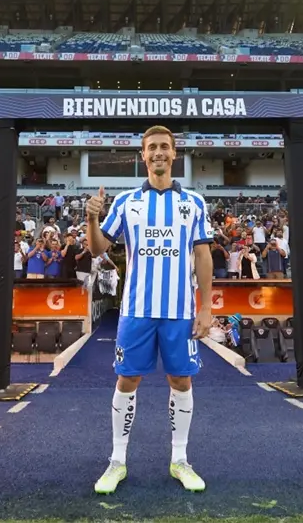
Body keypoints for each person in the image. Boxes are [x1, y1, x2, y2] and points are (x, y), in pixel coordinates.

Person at [86, 125, 213, 495]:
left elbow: (203, 255)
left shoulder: (193, 202)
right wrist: (91, 218)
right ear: (143, 155)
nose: (158, 152)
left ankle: (180, 460)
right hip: (137, 309)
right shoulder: (127, 202)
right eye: (151, 148)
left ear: (175, 154)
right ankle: (117, 461)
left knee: (181, 381)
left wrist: (205, 308)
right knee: (127, 380)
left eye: (164, 147)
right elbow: (96, 249)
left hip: (179, 310)